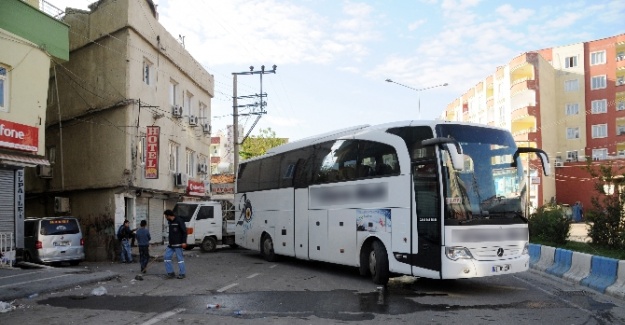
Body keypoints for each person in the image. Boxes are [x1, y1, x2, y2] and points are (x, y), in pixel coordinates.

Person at [163, 209, 187, 279]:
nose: (165, 217)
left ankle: (182, 273)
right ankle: (170, 273)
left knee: (180, 259)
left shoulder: (179, 220)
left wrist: (184, 242)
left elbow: (184, 232)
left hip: (178, 244)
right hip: (171, 245)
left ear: (168, 215)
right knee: (166, 257)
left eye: (165, 216)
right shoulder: (169, 222)